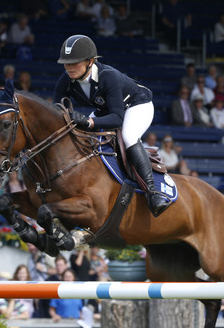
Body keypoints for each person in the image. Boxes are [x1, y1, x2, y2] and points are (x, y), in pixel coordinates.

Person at [53, 34, 170, 216]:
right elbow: (56, 109)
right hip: (106, 109)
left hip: (136, 105)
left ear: (90, 61)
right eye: (66, 63)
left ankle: (153, 192)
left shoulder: (108, 76)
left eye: (74, 62)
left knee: (129, 136)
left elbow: (117, 118)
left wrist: (89, 121)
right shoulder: (66, 78)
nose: (68, 67)